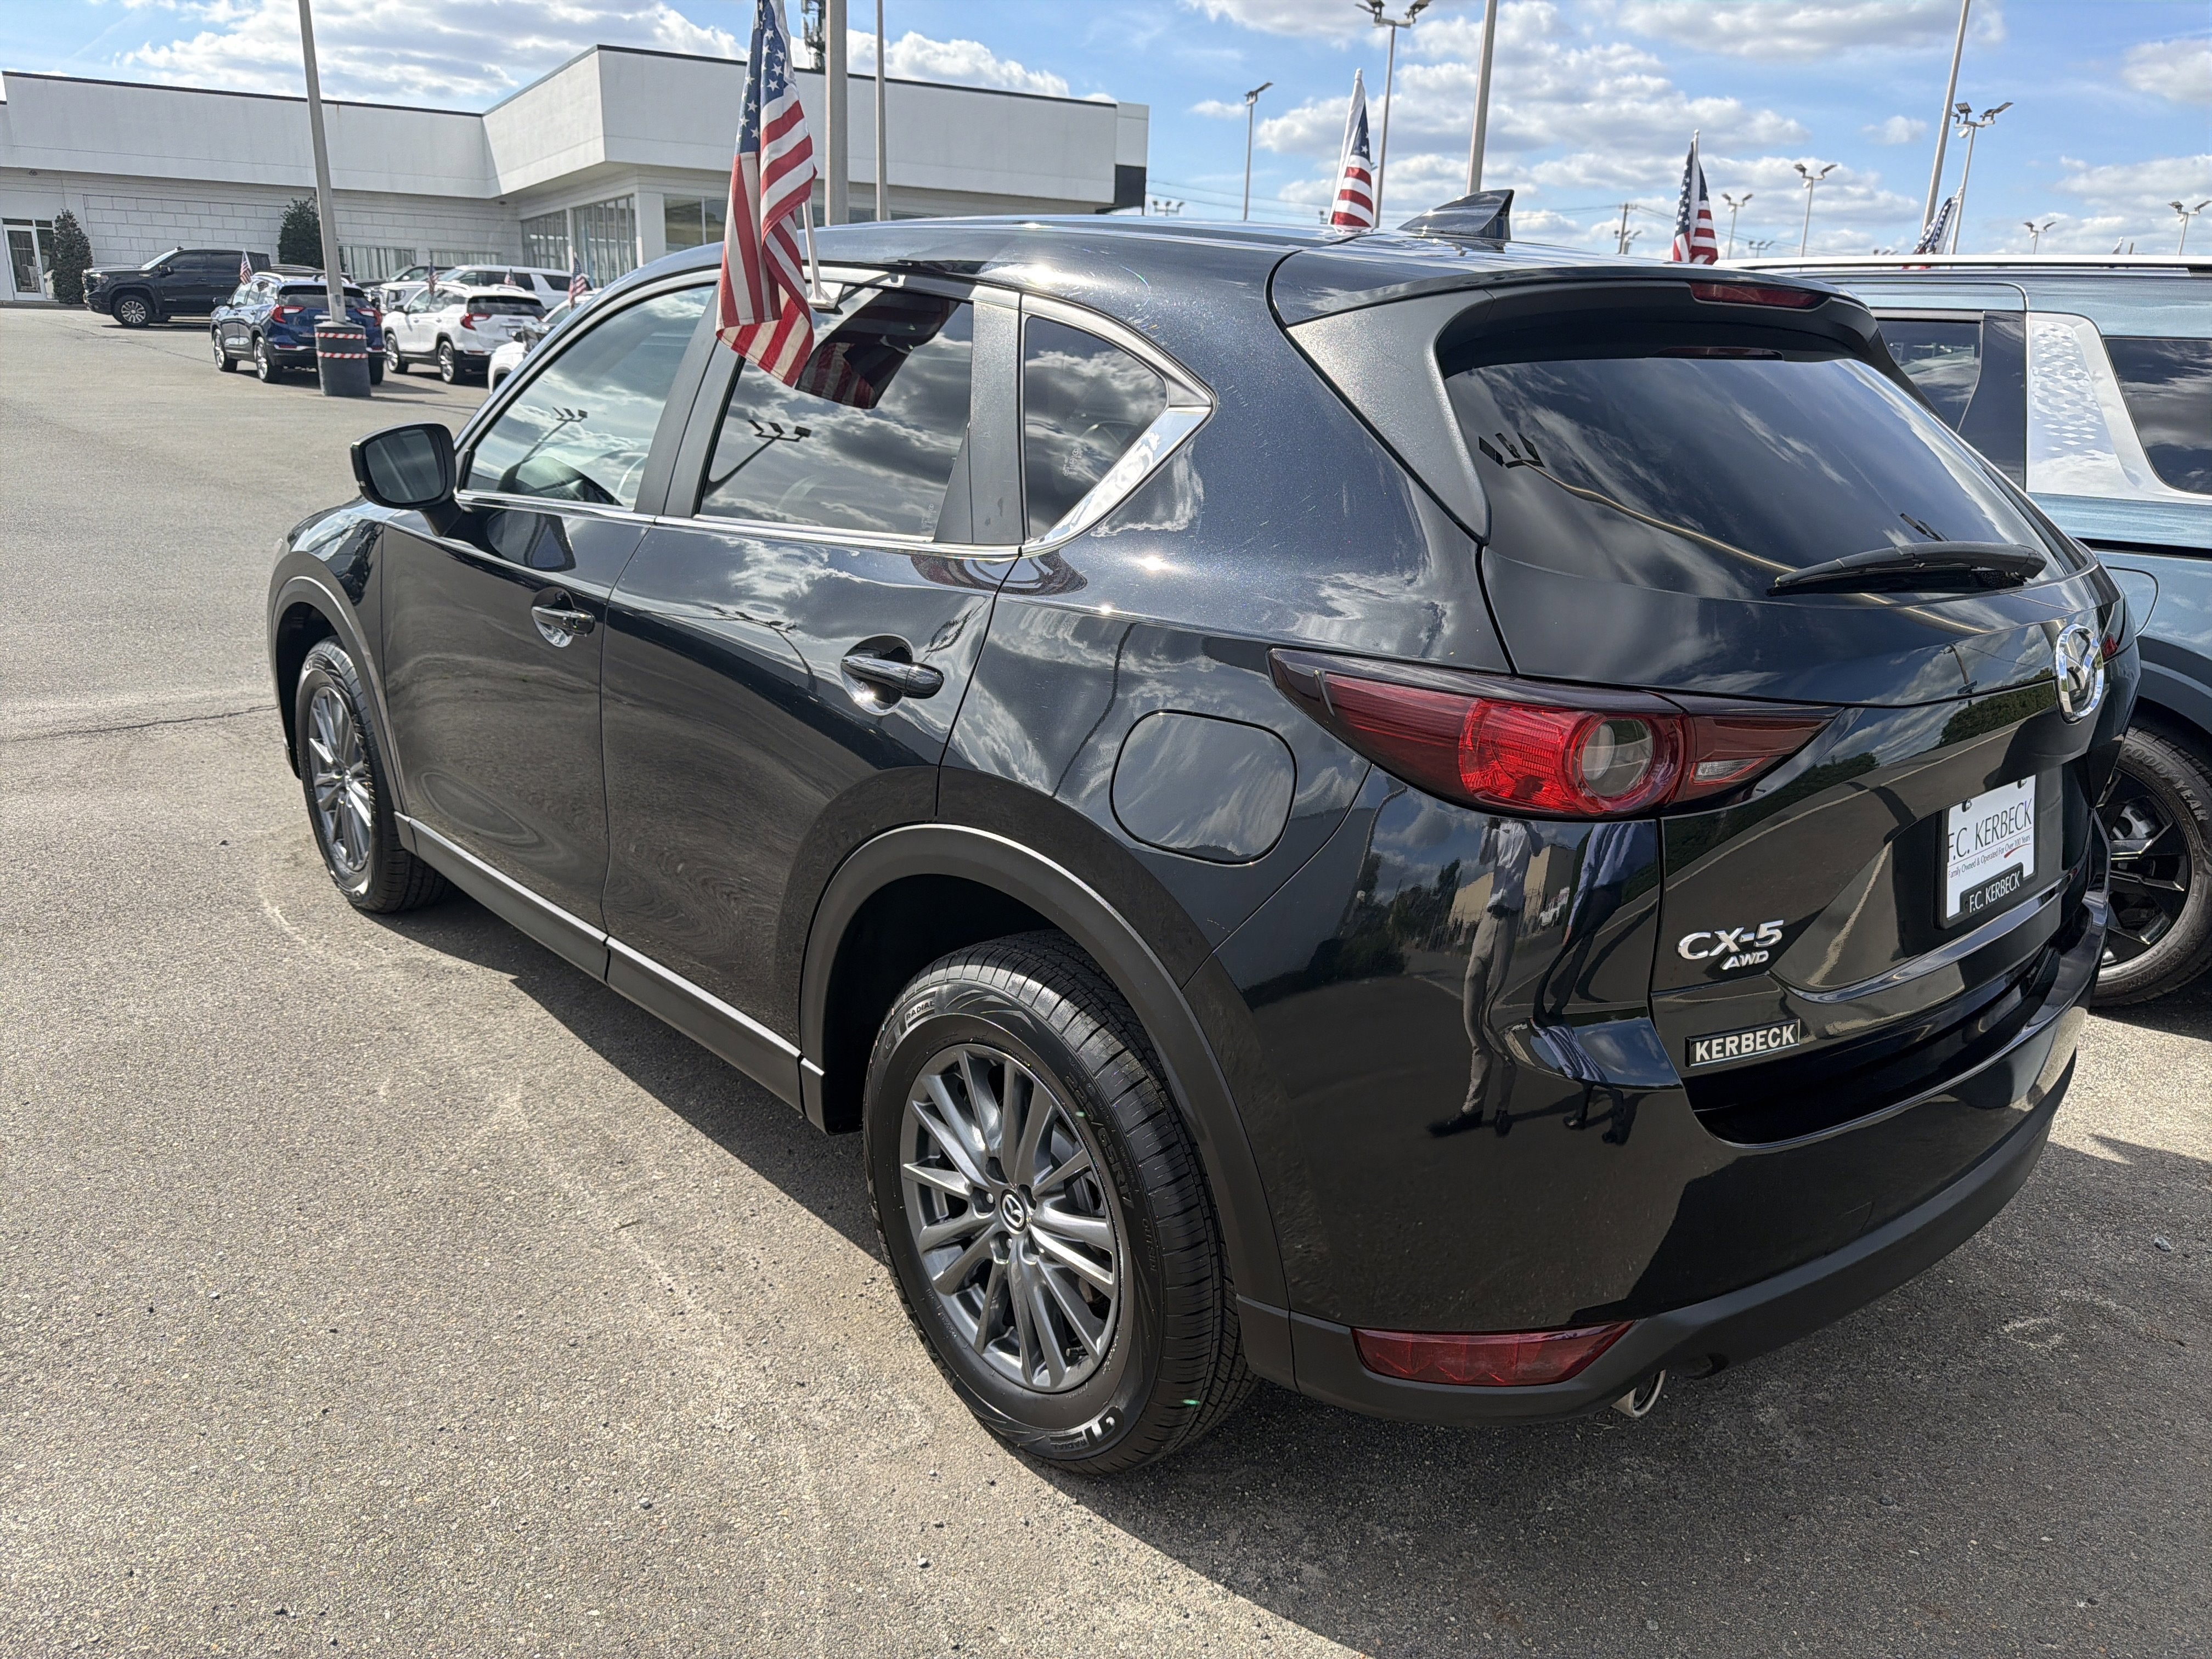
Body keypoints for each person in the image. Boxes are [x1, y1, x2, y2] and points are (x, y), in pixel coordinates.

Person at [1431, 815, 1532, 1137]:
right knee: (1472, 995)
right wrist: (1490, 825)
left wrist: (1529, 825)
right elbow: (1484, 857)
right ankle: (1473, 1108)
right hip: (1490, 916)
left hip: (1511, 920)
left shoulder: (1529, 832)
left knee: (1491, 1015)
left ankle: (1501, 1105)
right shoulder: (1500, 831)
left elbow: (1540, 846)